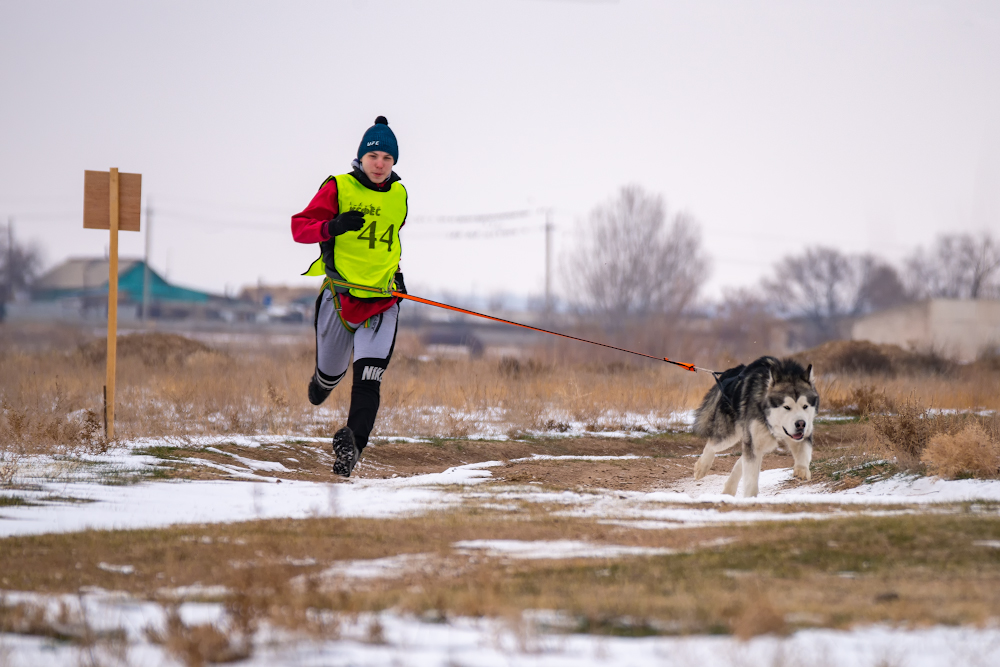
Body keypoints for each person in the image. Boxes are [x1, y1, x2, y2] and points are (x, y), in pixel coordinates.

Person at [291, 116, 407, 478]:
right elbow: (299, 228)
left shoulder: (400, 194)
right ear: (361, 157)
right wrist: (333, 226)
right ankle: (321, 383)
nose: (380, 163)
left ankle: (351, 447)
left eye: (387, 158)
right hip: (340, 302)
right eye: (374, 155)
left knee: (369, 378)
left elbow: (390, 244)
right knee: (329, 376)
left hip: (382, 303)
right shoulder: (338, 187)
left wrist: (396, 276)